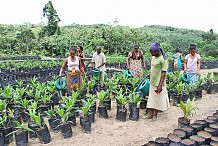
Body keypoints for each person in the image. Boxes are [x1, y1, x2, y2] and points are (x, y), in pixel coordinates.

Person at [146, 42, 170, 121]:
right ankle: (150, 114)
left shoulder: (163, 60)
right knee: (152, 98)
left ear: (156, 51)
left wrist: (160, 85)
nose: (150, 53)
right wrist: (150, 74)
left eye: (151, 51)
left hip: (158, 83)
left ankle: (155, 115)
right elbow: (153, 68)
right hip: (152, 81)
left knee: (157, 99)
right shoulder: (153, 57)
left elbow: (163, 73)